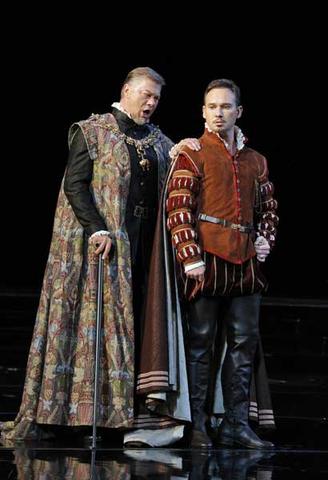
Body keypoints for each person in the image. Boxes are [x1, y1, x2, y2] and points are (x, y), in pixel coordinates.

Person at [0, 66, 200, 444]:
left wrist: (187, 147)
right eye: (145, 94)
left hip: (143, 249)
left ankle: (131, 413)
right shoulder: (92, 131)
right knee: (92, 328)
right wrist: (97, 227)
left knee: (139, 325)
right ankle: (80, 415)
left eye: (156, 98)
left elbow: (176, 171)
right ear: (126, 90)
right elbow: (75, 185)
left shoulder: (157, 140)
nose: (151, 103)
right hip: (104, 247)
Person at [135, 79, 278, 449]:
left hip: (245, 262)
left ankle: (234, 423)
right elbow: (178, 207)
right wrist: (190, 258)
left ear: (238, 112)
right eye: (212, 107)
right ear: (203, 111)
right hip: (208, 260)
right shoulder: (192, 153)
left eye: (226, 107)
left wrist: (265, 239)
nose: (219, 113)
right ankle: (197, 424)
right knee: (201, 344)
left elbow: (268, 208)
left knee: (243, 344)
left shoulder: (255, 160)